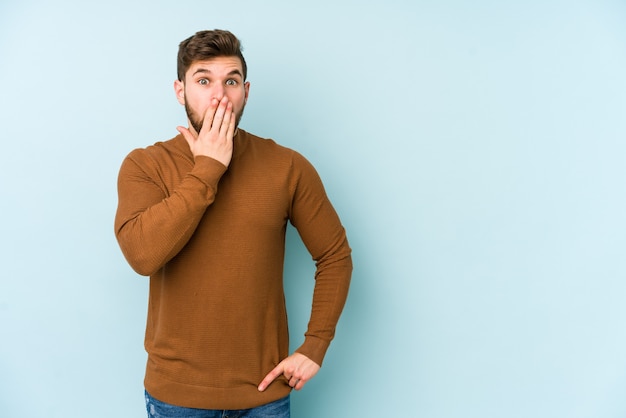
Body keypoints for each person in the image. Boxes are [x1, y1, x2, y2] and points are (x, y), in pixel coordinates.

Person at [114, 29, 352, 417]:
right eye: (203, 80)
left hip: (264, 397)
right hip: (176, 400)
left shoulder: (287, 166)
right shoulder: (145, 165)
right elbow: (142, 256)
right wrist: (207, 168)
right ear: (180, 91)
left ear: (246, 91)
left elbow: (335, 256)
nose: (219, 94)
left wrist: (315, 346)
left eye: (231, 81)